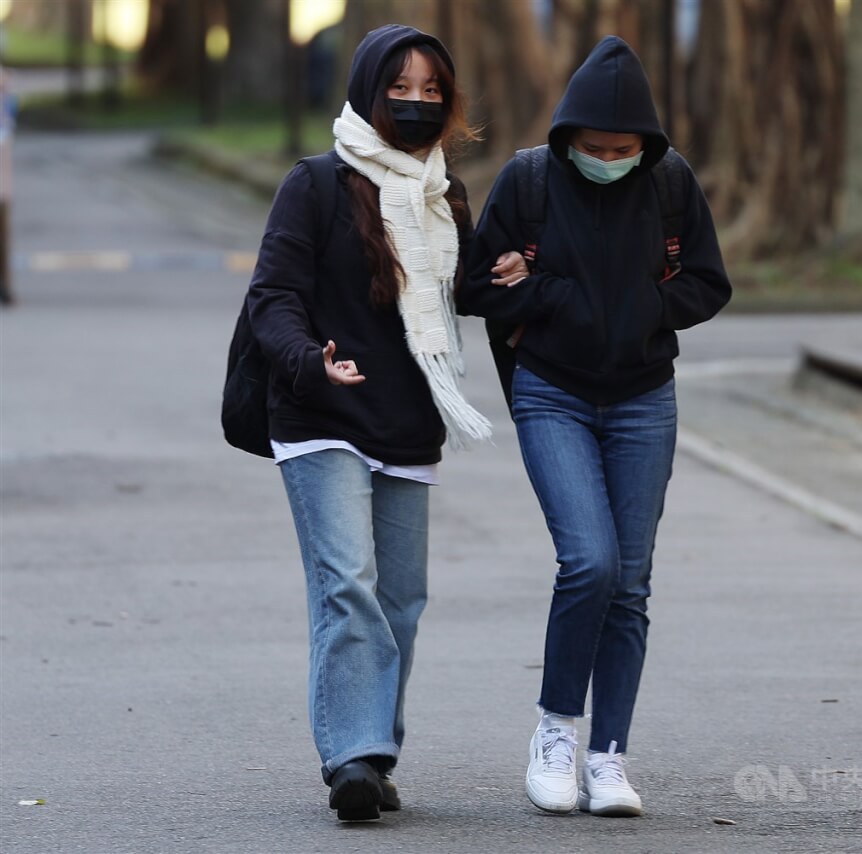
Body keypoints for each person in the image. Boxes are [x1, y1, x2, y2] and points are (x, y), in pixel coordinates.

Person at [460, 36, 732, 817]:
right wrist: (544, 293)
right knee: (589, 562)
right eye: (593, 147)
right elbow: (478, 286)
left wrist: (646, 307)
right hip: (553, 394)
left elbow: (710, 282)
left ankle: (608, 757)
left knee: (632, 580)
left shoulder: (670, 183)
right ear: (566, 137)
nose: (608, 158)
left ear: (645, 146)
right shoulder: (530, 180)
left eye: (623, 149)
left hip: (646, 398)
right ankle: (556, 732)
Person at [246, 24, 490, 822]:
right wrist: (309, 362)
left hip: (405, 415)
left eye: (431, 91)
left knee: (402, 599)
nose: (415, 104)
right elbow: (272, 298)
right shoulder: (315, 184)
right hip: (319, 412)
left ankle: (377, 749)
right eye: (400, 87)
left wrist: (513, 273)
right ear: (365, 90)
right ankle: (352, 756)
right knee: (349, 585)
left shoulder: (442, 194)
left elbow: (463, 291)